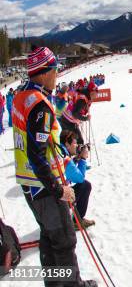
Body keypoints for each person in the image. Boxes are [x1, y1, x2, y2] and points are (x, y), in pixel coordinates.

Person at [12, 46, 97, 287]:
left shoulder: (23, 96)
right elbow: (36, 154)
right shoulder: (39, 104)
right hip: (44, 186)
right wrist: (59, 189)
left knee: (49, 237)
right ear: (44, 72)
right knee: (65, 240)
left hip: (29, 183)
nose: (57, 74)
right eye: (55, 69)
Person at [59, 130, 95, 228]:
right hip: (59, 199)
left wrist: (75, 160)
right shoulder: (65, 158)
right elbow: (79, 179)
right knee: (85, 185)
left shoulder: (59, 152)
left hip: (51, 197)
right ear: (67, 144)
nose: (77, 146)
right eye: (74, 143)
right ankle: (77, 221)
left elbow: (69, 174)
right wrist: (83, 159)